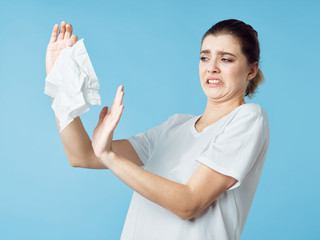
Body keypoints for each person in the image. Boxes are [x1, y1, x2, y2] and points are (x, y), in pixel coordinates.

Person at [45, 19, 270, 240]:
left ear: (251, 70)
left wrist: (109, 156)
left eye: (226, 59)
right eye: (204, 57)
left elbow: (189, 203)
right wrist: (59, 84)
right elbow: (82, 155)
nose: (211, 67)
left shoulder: (248, 118)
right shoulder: (175, 126)